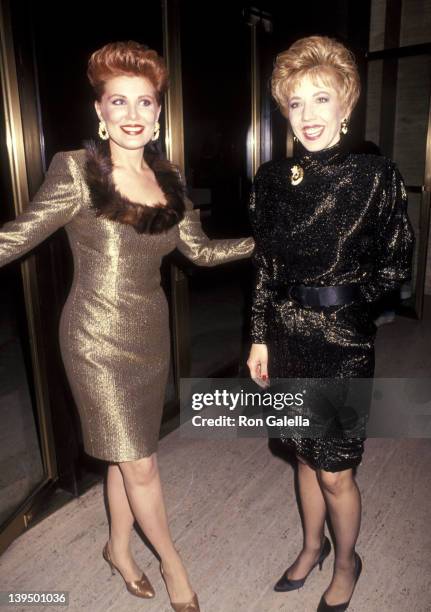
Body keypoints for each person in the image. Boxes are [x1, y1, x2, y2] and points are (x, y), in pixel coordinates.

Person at [0, 41, 254, 612]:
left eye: (145, 102)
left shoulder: (171, 180)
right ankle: (174, 566)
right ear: (100, 111)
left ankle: (117, 548)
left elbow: (203, 253)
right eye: (120, 102)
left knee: (127, 451)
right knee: (142, 462)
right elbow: (14, 238)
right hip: (94, 338)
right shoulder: (75, 171)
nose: (133, 115)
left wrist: (266, 245)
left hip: (150, 334)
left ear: (159, 113)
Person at [247, 35, 413, 611]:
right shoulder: (271, 180)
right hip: (287, 337)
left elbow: (396, 262)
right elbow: (265, 267)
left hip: (342, 343)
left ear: (346, 106)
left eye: (321, 99)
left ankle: (347, 562)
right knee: (301, 452)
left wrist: (349, 312)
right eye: (296, 103)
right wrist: (259, 337)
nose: (308, 115)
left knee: (336, 470)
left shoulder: (375, 175)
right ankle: (311, 545)